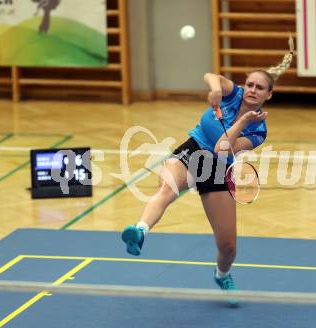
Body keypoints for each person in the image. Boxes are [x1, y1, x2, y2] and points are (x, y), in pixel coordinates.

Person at [121, 41, 293, 299]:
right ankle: (140, 231)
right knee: (166, 189)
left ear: (269, 95)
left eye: (260, 88)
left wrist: (244, 120)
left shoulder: (258, 130)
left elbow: (223, 149)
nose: (252, 90)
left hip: (217, 168)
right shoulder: (232, 93)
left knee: (228, 246)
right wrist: (214, 90)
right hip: (192, 149)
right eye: (250, 85)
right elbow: (211, 76)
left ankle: (222, 275)